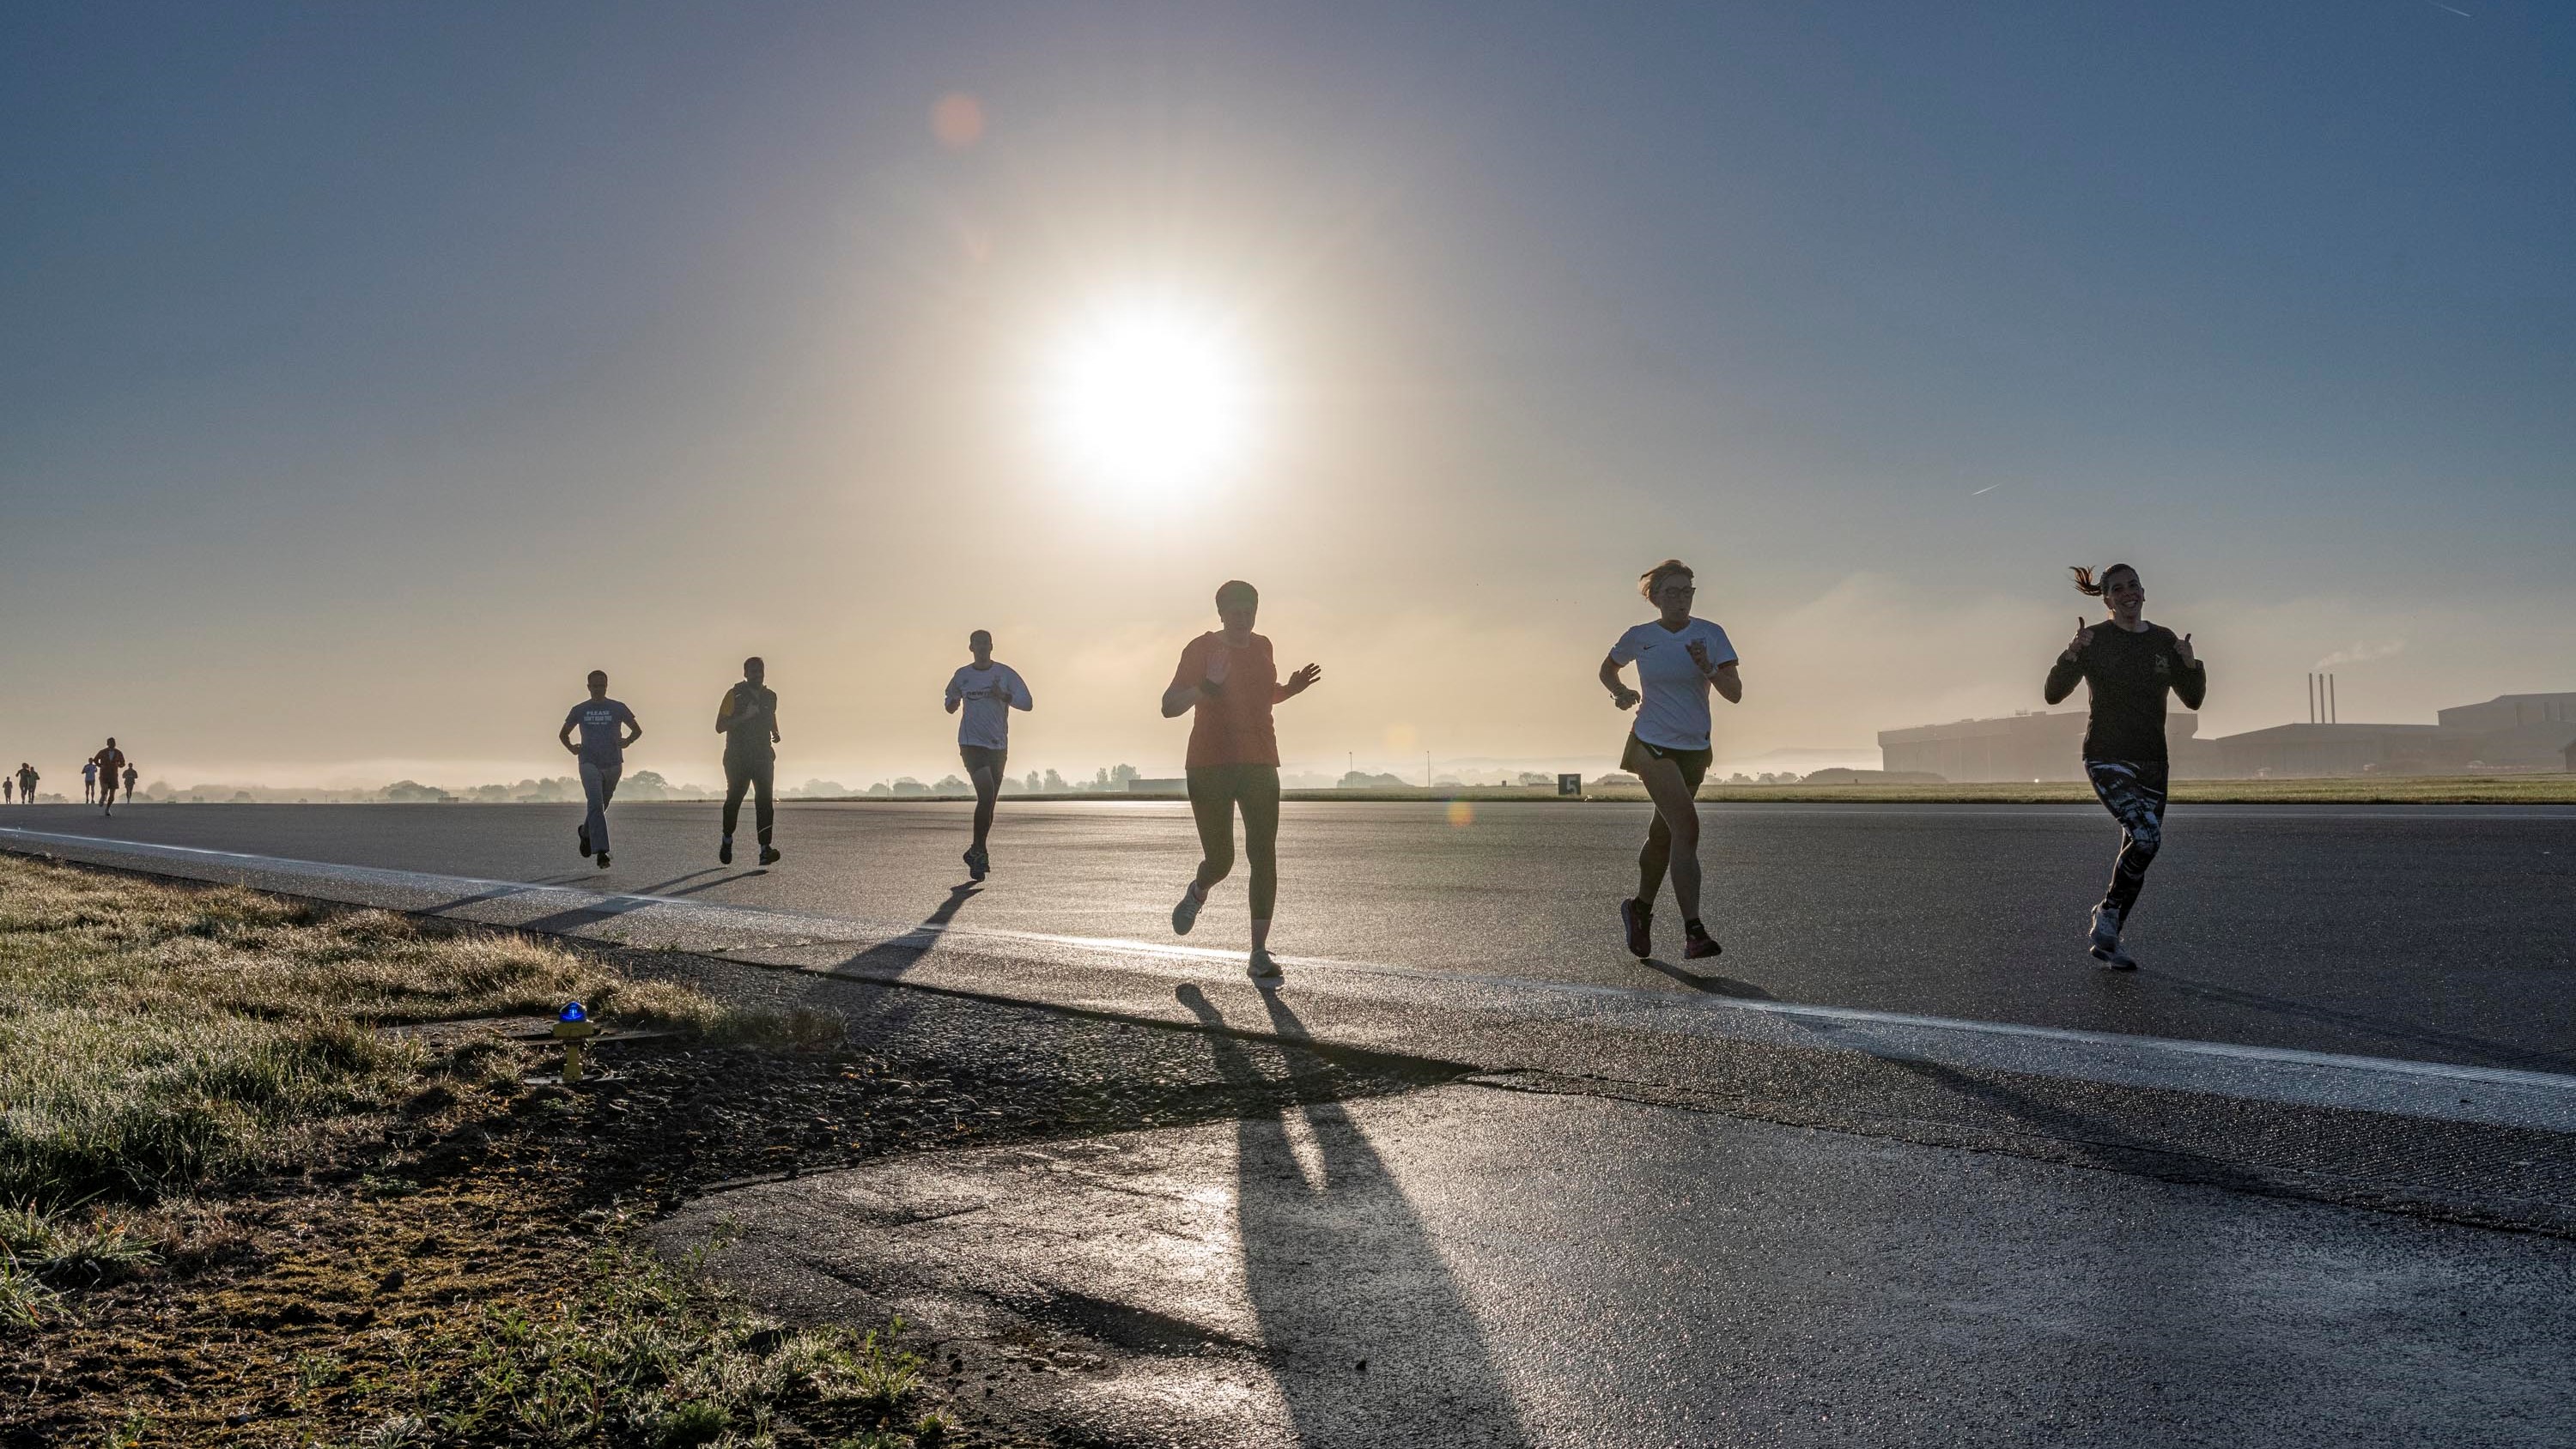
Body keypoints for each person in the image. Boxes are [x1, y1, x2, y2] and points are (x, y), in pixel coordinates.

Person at [2044, 563, 2204, 969]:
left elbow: (2194, 700)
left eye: (2133, 585)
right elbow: (2052, 695)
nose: (2127, 592)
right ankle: (2108, 915)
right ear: (2107, 599)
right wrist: (2071, 654)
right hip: (2106, 755)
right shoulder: (2094, 640)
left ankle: (2109, 937)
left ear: (2144, 593)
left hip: (2153, 760)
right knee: (2147, 838)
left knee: (2137, 848)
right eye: (2118, 589)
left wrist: (2190, 663)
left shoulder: (2165, 640)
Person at [1159, 580, 1322, 979]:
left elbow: (1264, 695)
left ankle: (1258, 953)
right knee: (1222, 860)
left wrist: (1291, 689)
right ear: (1220, 614)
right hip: (1209, 765)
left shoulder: (1264, 646)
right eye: (1235, 613)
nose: (1243, 620)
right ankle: (1198, 891)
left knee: (1263, 854)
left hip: (1260, 762)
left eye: (1249, 612)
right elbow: (1168, 707)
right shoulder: (1200, 649)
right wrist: (1207, 685)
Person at [1599, 560, 1741, 962]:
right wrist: (1621, 692)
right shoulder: (1640, 637)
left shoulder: (1711, 635)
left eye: (1688, 592)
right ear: (1656, 598)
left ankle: (1639, 910)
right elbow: (1608, 669)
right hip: (1651, 743)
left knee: (1664, 837)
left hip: (1694, 747)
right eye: (1673, 592)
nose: (1681, 599)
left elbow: (1735, 693)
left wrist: (1708, 667)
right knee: (1687, 826)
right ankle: (1694, 932)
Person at [944, 629, 1034, 881]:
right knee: (985, 794)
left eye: (985, 644)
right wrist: (954, 703)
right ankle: (981, 852)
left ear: (992, 647)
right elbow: (949, 705)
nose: (982, 648)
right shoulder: (963, 676)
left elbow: (1027, 703)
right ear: (970, 648)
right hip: (972, 744)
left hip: (998, 746)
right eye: (977, 644)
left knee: (989, 803)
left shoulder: (1004, 674)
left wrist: (1003, 695)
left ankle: (975, 850)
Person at [558, 670, 643, 869]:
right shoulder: (579, 710)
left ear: (607, 686)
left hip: (613, 763)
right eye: (594, 686)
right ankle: (602, 852)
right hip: (589, 762)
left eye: (602, 686)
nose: (598, 689)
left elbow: (638, 730)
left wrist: (628, 741)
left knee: (601, 805)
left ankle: (586, 832)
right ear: (588, 687)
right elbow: (563, 734)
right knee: (595, 803)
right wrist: (572, 748)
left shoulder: (618, 708)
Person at [715, 657, 781, 866]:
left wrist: (775, 731)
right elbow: (719, 726)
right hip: (738, 757)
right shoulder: (734, 694)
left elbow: (771, 715)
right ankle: (727, 839)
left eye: (760, 670)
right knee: (734, 799)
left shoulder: (770, 696)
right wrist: (745, 716)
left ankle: (764, 849)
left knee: (764, 802)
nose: (757, 674)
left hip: (762, 756)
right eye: (753, 671)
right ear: (745, 674)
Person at [89, 739, 127, 817]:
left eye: (114, 743)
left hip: (113, 775)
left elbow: (123, 763)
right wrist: (100, 765)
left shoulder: (118, 753)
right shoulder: (102, 752)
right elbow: (95, 759)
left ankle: (107, 809)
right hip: (104, 774)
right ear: (107, 744)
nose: (113, 744)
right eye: (111, 743)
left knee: (112, 794)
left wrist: (118, 765)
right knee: (105, 789)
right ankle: (103, 796)